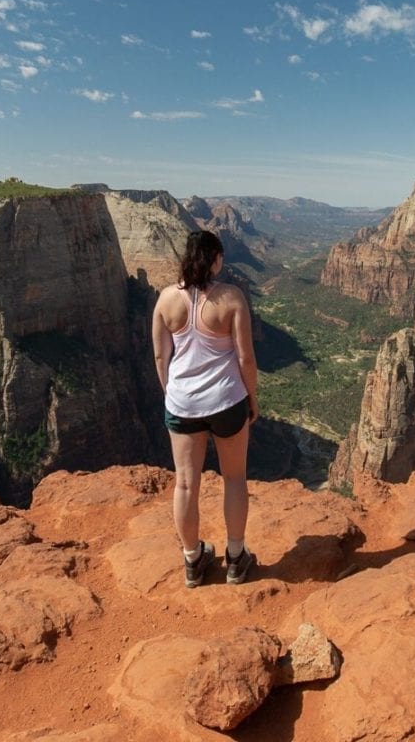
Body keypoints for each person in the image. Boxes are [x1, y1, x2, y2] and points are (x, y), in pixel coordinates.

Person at [152, 229, 259, 588]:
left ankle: (193, 561)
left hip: (182, 404)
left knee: (185, 483)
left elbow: (159, 355)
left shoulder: (166, 299)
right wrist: (252, 400)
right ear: (215, 259)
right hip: (227, 401)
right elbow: (245, 357)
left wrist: (173, 394)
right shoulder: (231, 298)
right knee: (234, 478)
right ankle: (235, 557)